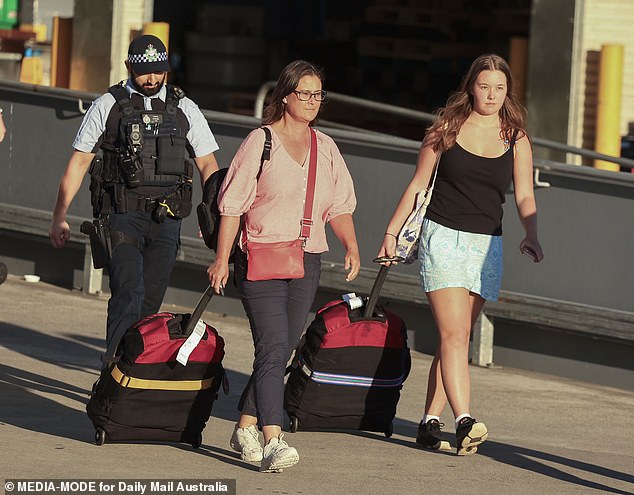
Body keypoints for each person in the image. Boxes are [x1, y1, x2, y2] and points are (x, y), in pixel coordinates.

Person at [378, 54, 544, 456]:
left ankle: (428, 420)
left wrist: (531, 233)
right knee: (454, 335)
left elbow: (524, 194)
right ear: (471, 86)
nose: (491, 95)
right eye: (484, 86)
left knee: (457, 337)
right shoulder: (446, 129)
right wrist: (390, 232)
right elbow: (419, 183)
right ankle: (464, 420)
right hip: (444, 237)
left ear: (508, 92)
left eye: (499, 88)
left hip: (487, 245)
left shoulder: (516, 137)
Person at [207, 60, 360, 472]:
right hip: (260, 256)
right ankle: (274, 438)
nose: (312, 102)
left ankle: (244, 426)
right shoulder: (261, 142)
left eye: (318, 94)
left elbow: (340, 205)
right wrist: (222, 259)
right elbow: (232, 205)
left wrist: (351, 245)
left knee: (282, 350)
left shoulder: (326, 146)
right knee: (273, 347)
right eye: (305, 93)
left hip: (307, 258)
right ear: (286, 96)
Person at [49, 34, 219, 361]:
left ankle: (134, 369)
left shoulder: (184, 107)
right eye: (145, 72)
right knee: (128, 291)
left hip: (167, 218)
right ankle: (113, 369)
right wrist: (60, 215)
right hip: (121, 214)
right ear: (129, 67)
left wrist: (213, 216)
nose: (153, 79)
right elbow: (80, 161)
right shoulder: (108, 105)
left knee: (150, 302)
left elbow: (207, 163)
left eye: (159, 72)